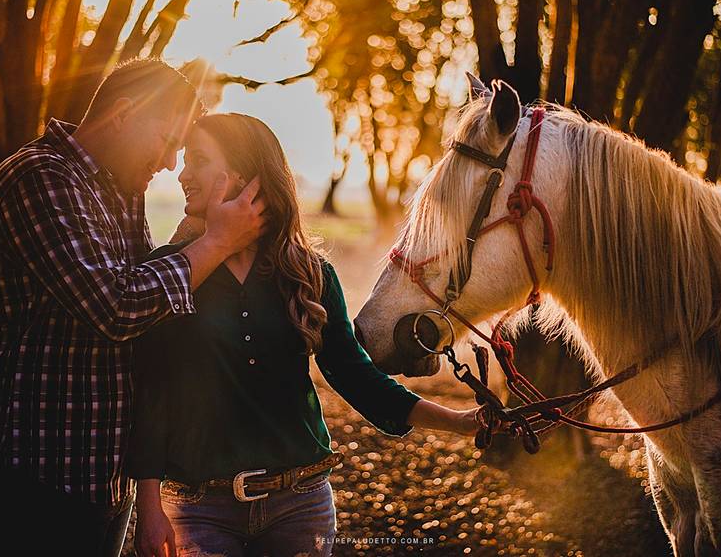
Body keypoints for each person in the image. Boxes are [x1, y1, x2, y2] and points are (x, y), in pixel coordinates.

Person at [128, 113, 482, 557]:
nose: (182, 174)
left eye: (197, 160)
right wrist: (148, 504)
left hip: (300, 506)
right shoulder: (170, 273)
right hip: (199, 511)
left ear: (242, 175)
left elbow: (357, 377)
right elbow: (151, 393)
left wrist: (461, 421)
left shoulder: (309, 275)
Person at [0, 60, 266, 557]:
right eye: (166, 141)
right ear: (123, 114)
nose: (168, 163)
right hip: (33, 473)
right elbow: (117, 307)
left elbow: (148, 298)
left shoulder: (121, 190)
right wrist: (215, 243)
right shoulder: (40, 178)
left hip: (102, 473)